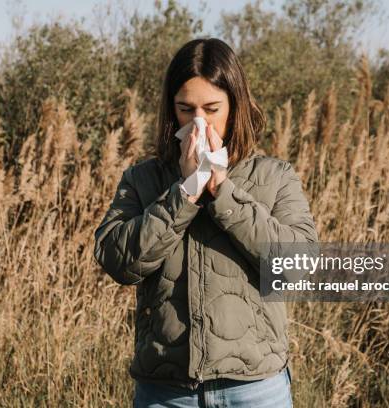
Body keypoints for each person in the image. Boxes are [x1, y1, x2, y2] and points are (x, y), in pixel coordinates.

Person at [94, 37, 318, 408]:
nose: (199, 123)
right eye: (186, 110)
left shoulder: (275, 176)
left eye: (212, 109)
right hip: (166, 391)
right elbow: (117, 260)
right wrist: (184, 193)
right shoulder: (143, 179)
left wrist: (224, 193)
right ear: (171, 111)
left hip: (254, 388)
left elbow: (297, 269)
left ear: (236, 107)